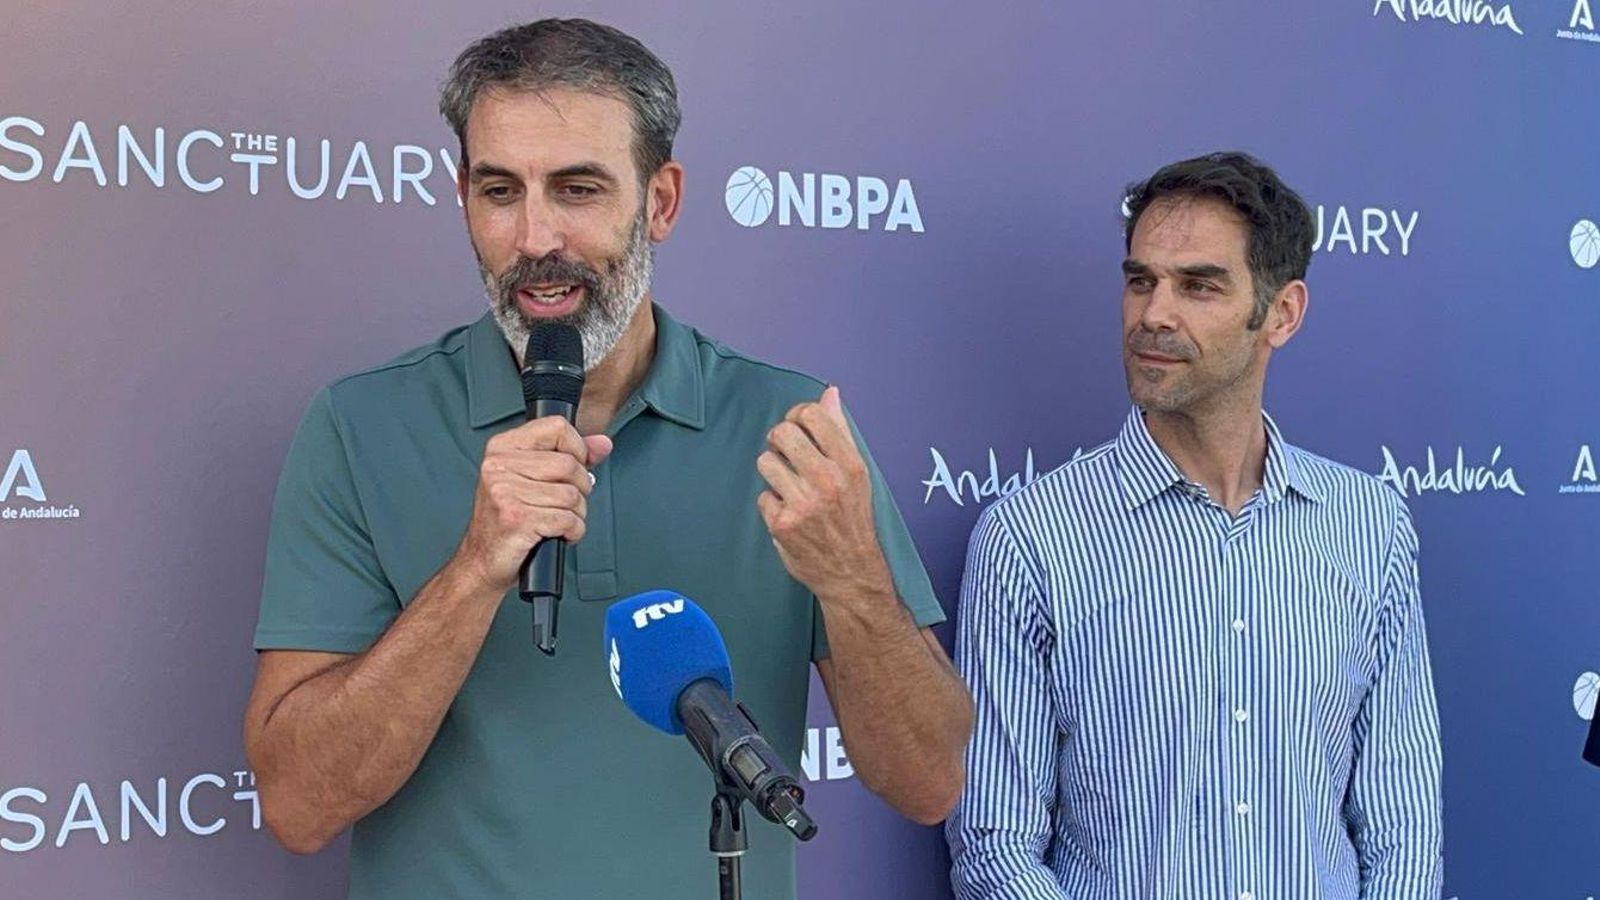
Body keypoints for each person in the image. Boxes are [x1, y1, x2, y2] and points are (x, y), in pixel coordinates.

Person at [242, 18, 972, 899]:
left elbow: (930, 782)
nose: (535, 238)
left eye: (577, 189)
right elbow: (298, 806)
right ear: (463, 197)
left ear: (660, 201)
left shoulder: (788, 426)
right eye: (500, 190)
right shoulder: (359, 426)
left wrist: (854, 581)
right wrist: (474, 570)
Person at [946, 152, 1443, 900]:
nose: (1154, 314)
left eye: (1199, 286)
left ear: (1282, 313)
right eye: (1140, 281)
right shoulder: (1031, 538)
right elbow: (995, 846)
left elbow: (1403, 818)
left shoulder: (1368, 525)